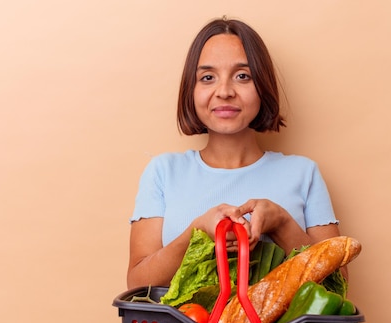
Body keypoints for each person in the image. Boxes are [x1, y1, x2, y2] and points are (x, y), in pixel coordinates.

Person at [127, 17, 344, 289]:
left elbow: (338, 288)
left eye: (243, 76)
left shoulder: (304, 173)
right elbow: (136, 284)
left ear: (262, 86)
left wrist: (281, 224)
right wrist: (197, 232)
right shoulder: (162, 172)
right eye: (207, 78)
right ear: (191, 91)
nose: (225, 92)